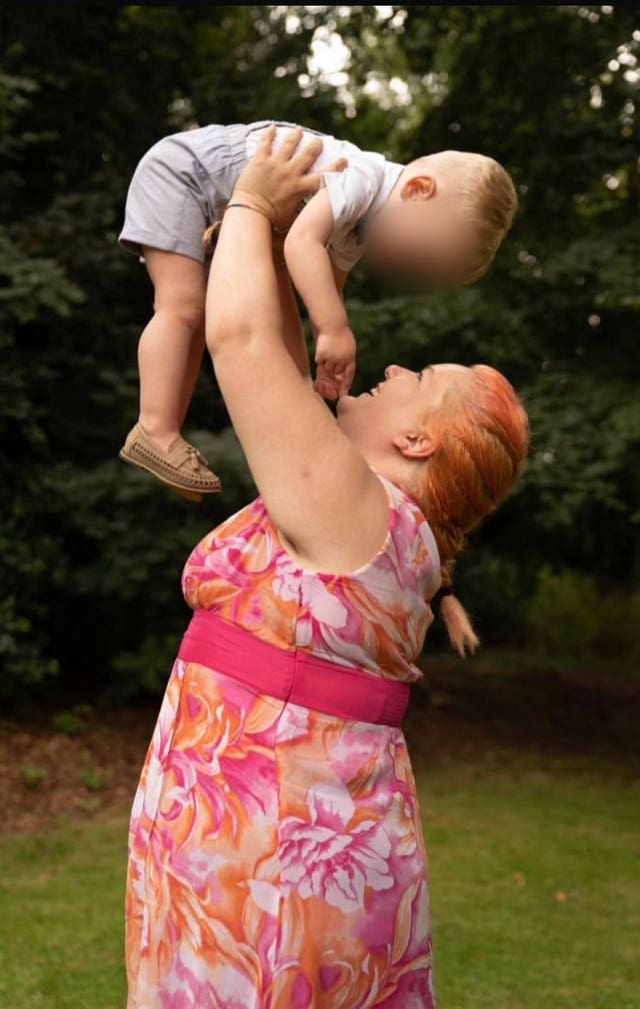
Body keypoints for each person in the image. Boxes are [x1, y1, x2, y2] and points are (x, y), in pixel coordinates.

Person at [124, 127, 529, 1009]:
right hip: (272, 828)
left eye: (416, 376)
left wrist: (251, 200)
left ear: (417, 440)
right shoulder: (378, 524)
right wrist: (263, 229)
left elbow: (237, 335)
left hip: (269, 852)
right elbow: (266, 328)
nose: (388, 365)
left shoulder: (358, 508)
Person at [118, 119, 518, 500]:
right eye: (417, 256)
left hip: (219, 199)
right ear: (417, 189)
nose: (403, 267)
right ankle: (155, 428)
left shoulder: (362, 228)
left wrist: (318, 367)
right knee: (182, 306)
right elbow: (301, 245)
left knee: (201, 316)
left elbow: (325, 285)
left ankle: (182, 425)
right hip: (188, 174)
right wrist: (332, 330)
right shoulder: (362, 177)